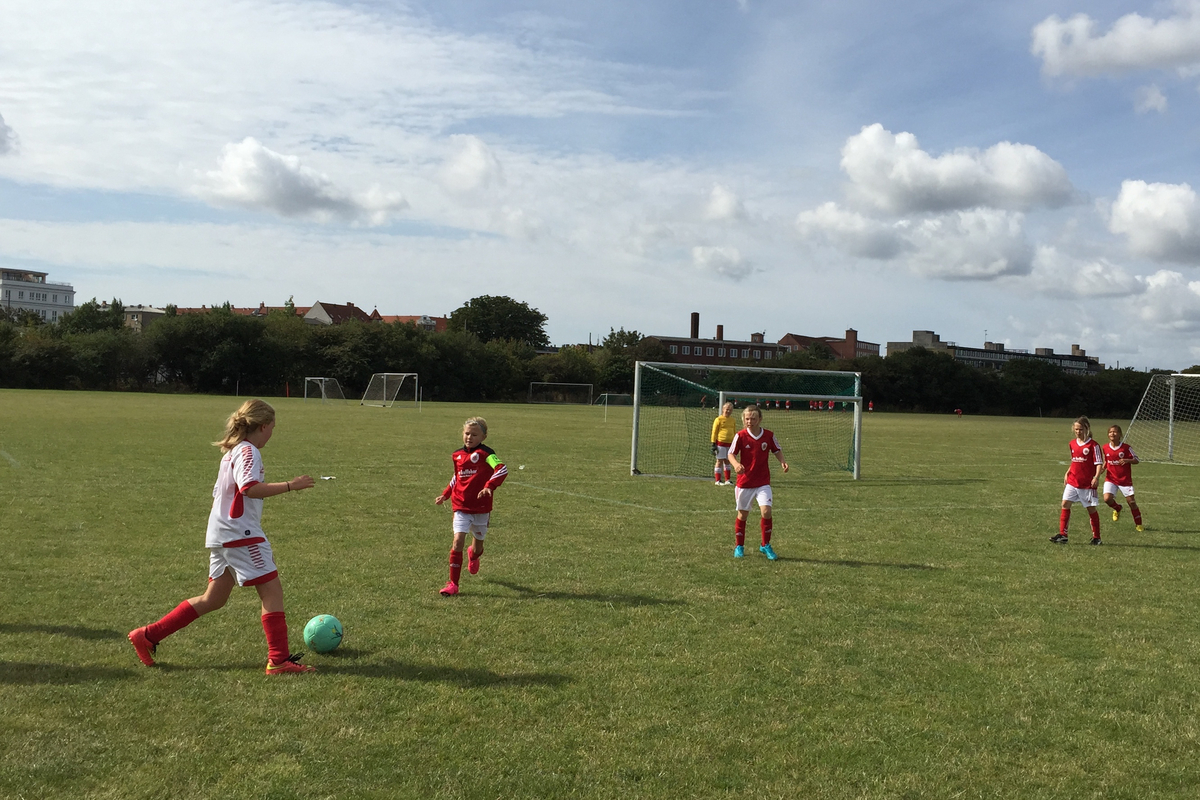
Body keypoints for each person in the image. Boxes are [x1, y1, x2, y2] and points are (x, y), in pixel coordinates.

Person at [128, 399, 317, 674]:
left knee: (213, 599)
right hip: (240, 533)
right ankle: (278, 660)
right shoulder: (249, 451)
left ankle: (147, 635)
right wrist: (291, 485)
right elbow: (249, 488)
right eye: (273, 428)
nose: (272, 434)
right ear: (263, 426)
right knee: (272, 590)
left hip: (222, 532)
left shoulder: (232, 452)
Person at [434, 416, 507, 596]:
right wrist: (445, 494)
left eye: (474, 435)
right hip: (460, 505)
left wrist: (489, 486)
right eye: (467, 433)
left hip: (481, 508)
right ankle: (453, 584)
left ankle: (473, 555)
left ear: (483, 437)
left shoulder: (487, 455)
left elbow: (501, 469)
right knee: (457, 541)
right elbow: (456, 477)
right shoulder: (457, 455)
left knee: (477, 548)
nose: (469, 437)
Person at [726, 404, 790, 560]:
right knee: (743, 515)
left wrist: (782, 461)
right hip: (745, 482)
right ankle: (739, 546)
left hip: (762, 482)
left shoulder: (768, 435)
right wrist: (736, 465)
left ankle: (765, 544)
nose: (750, 421)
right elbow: (731, 454)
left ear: (760, 419)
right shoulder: (740, 436)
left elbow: (776, 449)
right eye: (747, 419)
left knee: (766, 511)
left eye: (753, 418)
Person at [1051, 415, 1105, 545]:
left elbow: (1099, 463)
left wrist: (1096, 477)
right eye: (1076, 429)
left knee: (1091, 509)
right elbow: (1075, 460)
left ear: (1086, 429)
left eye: (1080, 429)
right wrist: (1068, 472)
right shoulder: (1072, 443)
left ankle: (1097, 538)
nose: (1078, 432)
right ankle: (1063, 535)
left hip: (1086, 483)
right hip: (1073, 480)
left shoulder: (1093, 445)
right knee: (1065, 504)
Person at [1102, 424, 1143, 531]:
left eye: (1115, 432)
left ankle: (1139, 524)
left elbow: (1137, 460)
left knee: (1131, 502)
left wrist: (1127, 460)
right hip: (1111, 479)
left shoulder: (1126, 448)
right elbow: (1106, 461)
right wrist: (1101, 469)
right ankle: (1117, 508)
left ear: (1120, 434)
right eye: (1110, 432)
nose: (1112, 434)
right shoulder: (1105, 447)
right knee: (1107, 499)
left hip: (1124, 479)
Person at [710, 401, 737, 485]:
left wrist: (735, 442)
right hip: (720, 443)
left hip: (730, 444)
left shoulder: (732, 420)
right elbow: (714, 432)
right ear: (723, 409)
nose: (728, 411)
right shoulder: (718, 419)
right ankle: (718, 480)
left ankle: (727, 480)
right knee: (719, 461)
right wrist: (713, 443)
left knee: (727, 461)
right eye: (727, 409)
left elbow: (734, 431)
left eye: (730, 410)